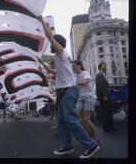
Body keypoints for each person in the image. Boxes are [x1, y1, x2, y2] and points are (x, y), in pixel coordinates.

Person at [38, 16, 99, 159]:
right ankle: (67, 146)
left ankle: (91, 145)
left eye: (53, 43)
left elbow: (51, 38)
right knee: (62, 120)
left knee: (70, 119)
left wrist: (42, 23)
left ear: (58, 44)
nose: (51, 44)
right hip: (63, 92)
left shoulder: (62, 52)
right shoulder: (58, 59)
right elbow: (52, 72)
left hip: (69, 91)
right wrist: (40, 61)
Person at [72, 60, 100, 145]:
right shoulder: (75, 75)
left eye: (73, 66)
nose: (72, 67)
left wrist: (73, 82)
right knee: (76, 116)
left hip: (89, 96)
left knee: (86, 118)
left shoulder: (85, 73)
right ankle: (89, 132)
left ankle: (95, 138)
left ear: (79, 66)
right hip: (80, 98)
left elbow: (84, 82)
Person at [95, 62, 117, 132]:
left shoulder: (103, 75)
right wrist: (104, 95)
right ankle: (106, 128)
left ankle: (111, 126)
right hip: (104, 97)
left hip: (107, 96)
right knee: (105, 113)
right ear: (100, 68)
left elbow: (105, 87)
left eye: (105, 65)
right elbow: (100, 87)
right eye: (103, 66)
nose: (105, 67)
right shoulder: (99, 75)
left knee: (110, 112)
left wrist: (113, 90)